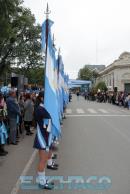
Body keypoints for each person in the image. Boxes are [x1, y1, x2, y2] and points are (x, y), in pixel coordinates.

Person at [34, 94, 56, 190]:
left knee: (44, 159)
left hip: (45, 136)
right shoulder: (40, 109)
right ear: (42, 98)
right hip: (42, 137)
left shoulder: (42, 108)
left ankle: (41, 180)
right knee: (43, 160)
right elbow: (48, 121)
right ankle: (42, 183)